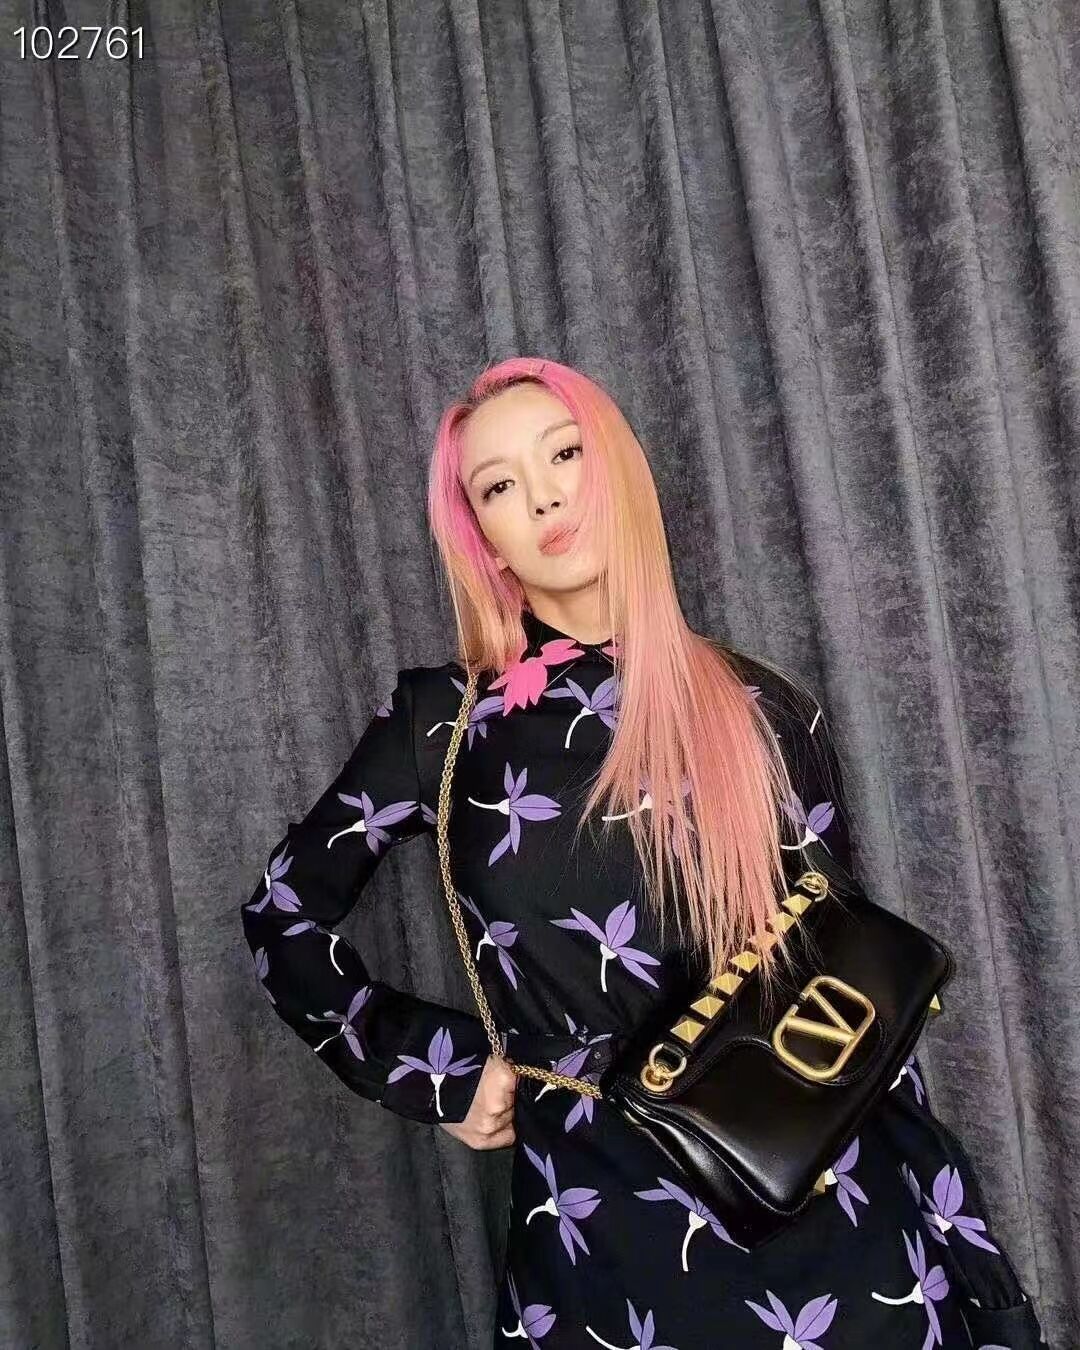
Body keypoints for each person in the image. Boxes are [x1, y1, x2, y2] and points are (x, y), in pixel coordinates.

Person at [240, 357, 1048, 1348]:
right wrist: (434, 1070)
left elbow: (854, 1004)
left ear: (616, 466)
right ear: (481, 536)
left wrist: (977, 1272)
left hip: (844, 1249)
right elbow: (283, 910)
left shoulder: (762, 705)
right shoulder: (443, 727)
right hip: (606, 1257)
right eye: (499, 486)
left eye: (565, 454)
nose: (545, 496)